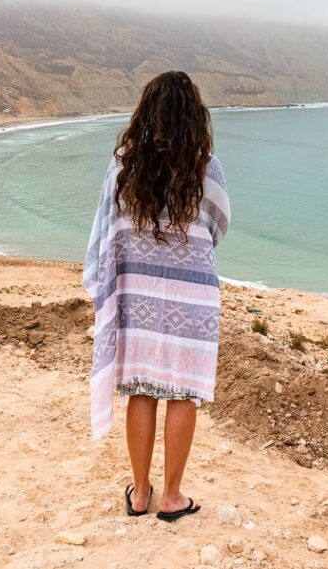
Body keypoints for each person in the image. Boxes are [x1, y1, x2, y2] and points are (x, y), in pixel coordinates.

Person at [84, 71, 230, 522]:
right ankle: (171, 496)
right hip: (192, 297)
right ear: (195, 116)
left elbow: (107, 227)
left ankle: (140, 493)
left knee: (142, 389)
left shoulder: (124, 165)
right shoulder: (207, 168)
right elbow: (218, 226)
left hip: (137, 295)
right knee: (184, 391)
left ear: (146, 111)